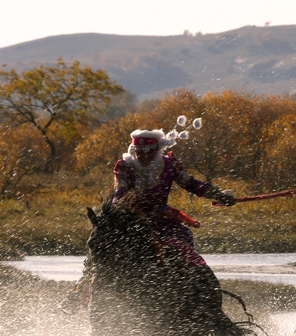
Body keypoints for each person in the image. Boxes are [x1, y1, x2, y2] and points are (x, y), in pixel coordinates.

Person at [61, 123, 236, 312]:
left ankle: (191, 288)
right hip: (129, 220)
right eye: (139, 151)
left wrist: (219, 195)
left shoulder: (170, 166)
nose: (143, 156)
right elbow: (120, 192)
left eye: (149, 151)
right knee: (101, 245)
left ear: (158, 149)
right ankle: (80, 291)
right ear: (133, 150)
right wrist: (122, 211)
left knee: (183, 239)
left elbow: (191, 184)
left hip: (162, 219)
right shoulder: (125, 167)